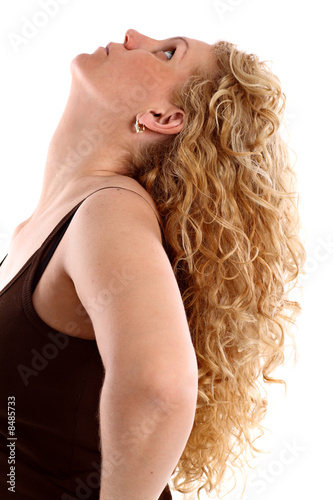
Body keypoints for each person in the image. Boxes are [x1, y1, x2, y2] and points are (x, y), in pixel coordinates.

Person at [0, 29, 305, 500]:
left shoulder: (108, 209)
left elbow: (160, 388)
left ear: (162, 117)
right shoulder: (38, 229)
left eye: (166, 53)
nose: (133, 35)